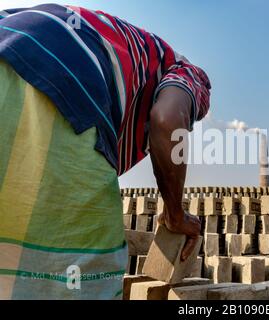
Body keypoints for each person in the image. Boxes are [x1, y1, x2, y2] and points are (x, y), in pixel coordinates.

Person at [0, 4, 210, 299]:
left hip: (9, 42)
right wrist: (175, 213)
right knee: (81, 278)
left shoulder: (128, 49)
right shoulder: (188, 72)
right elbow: (168, 120)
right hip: (58, 86)